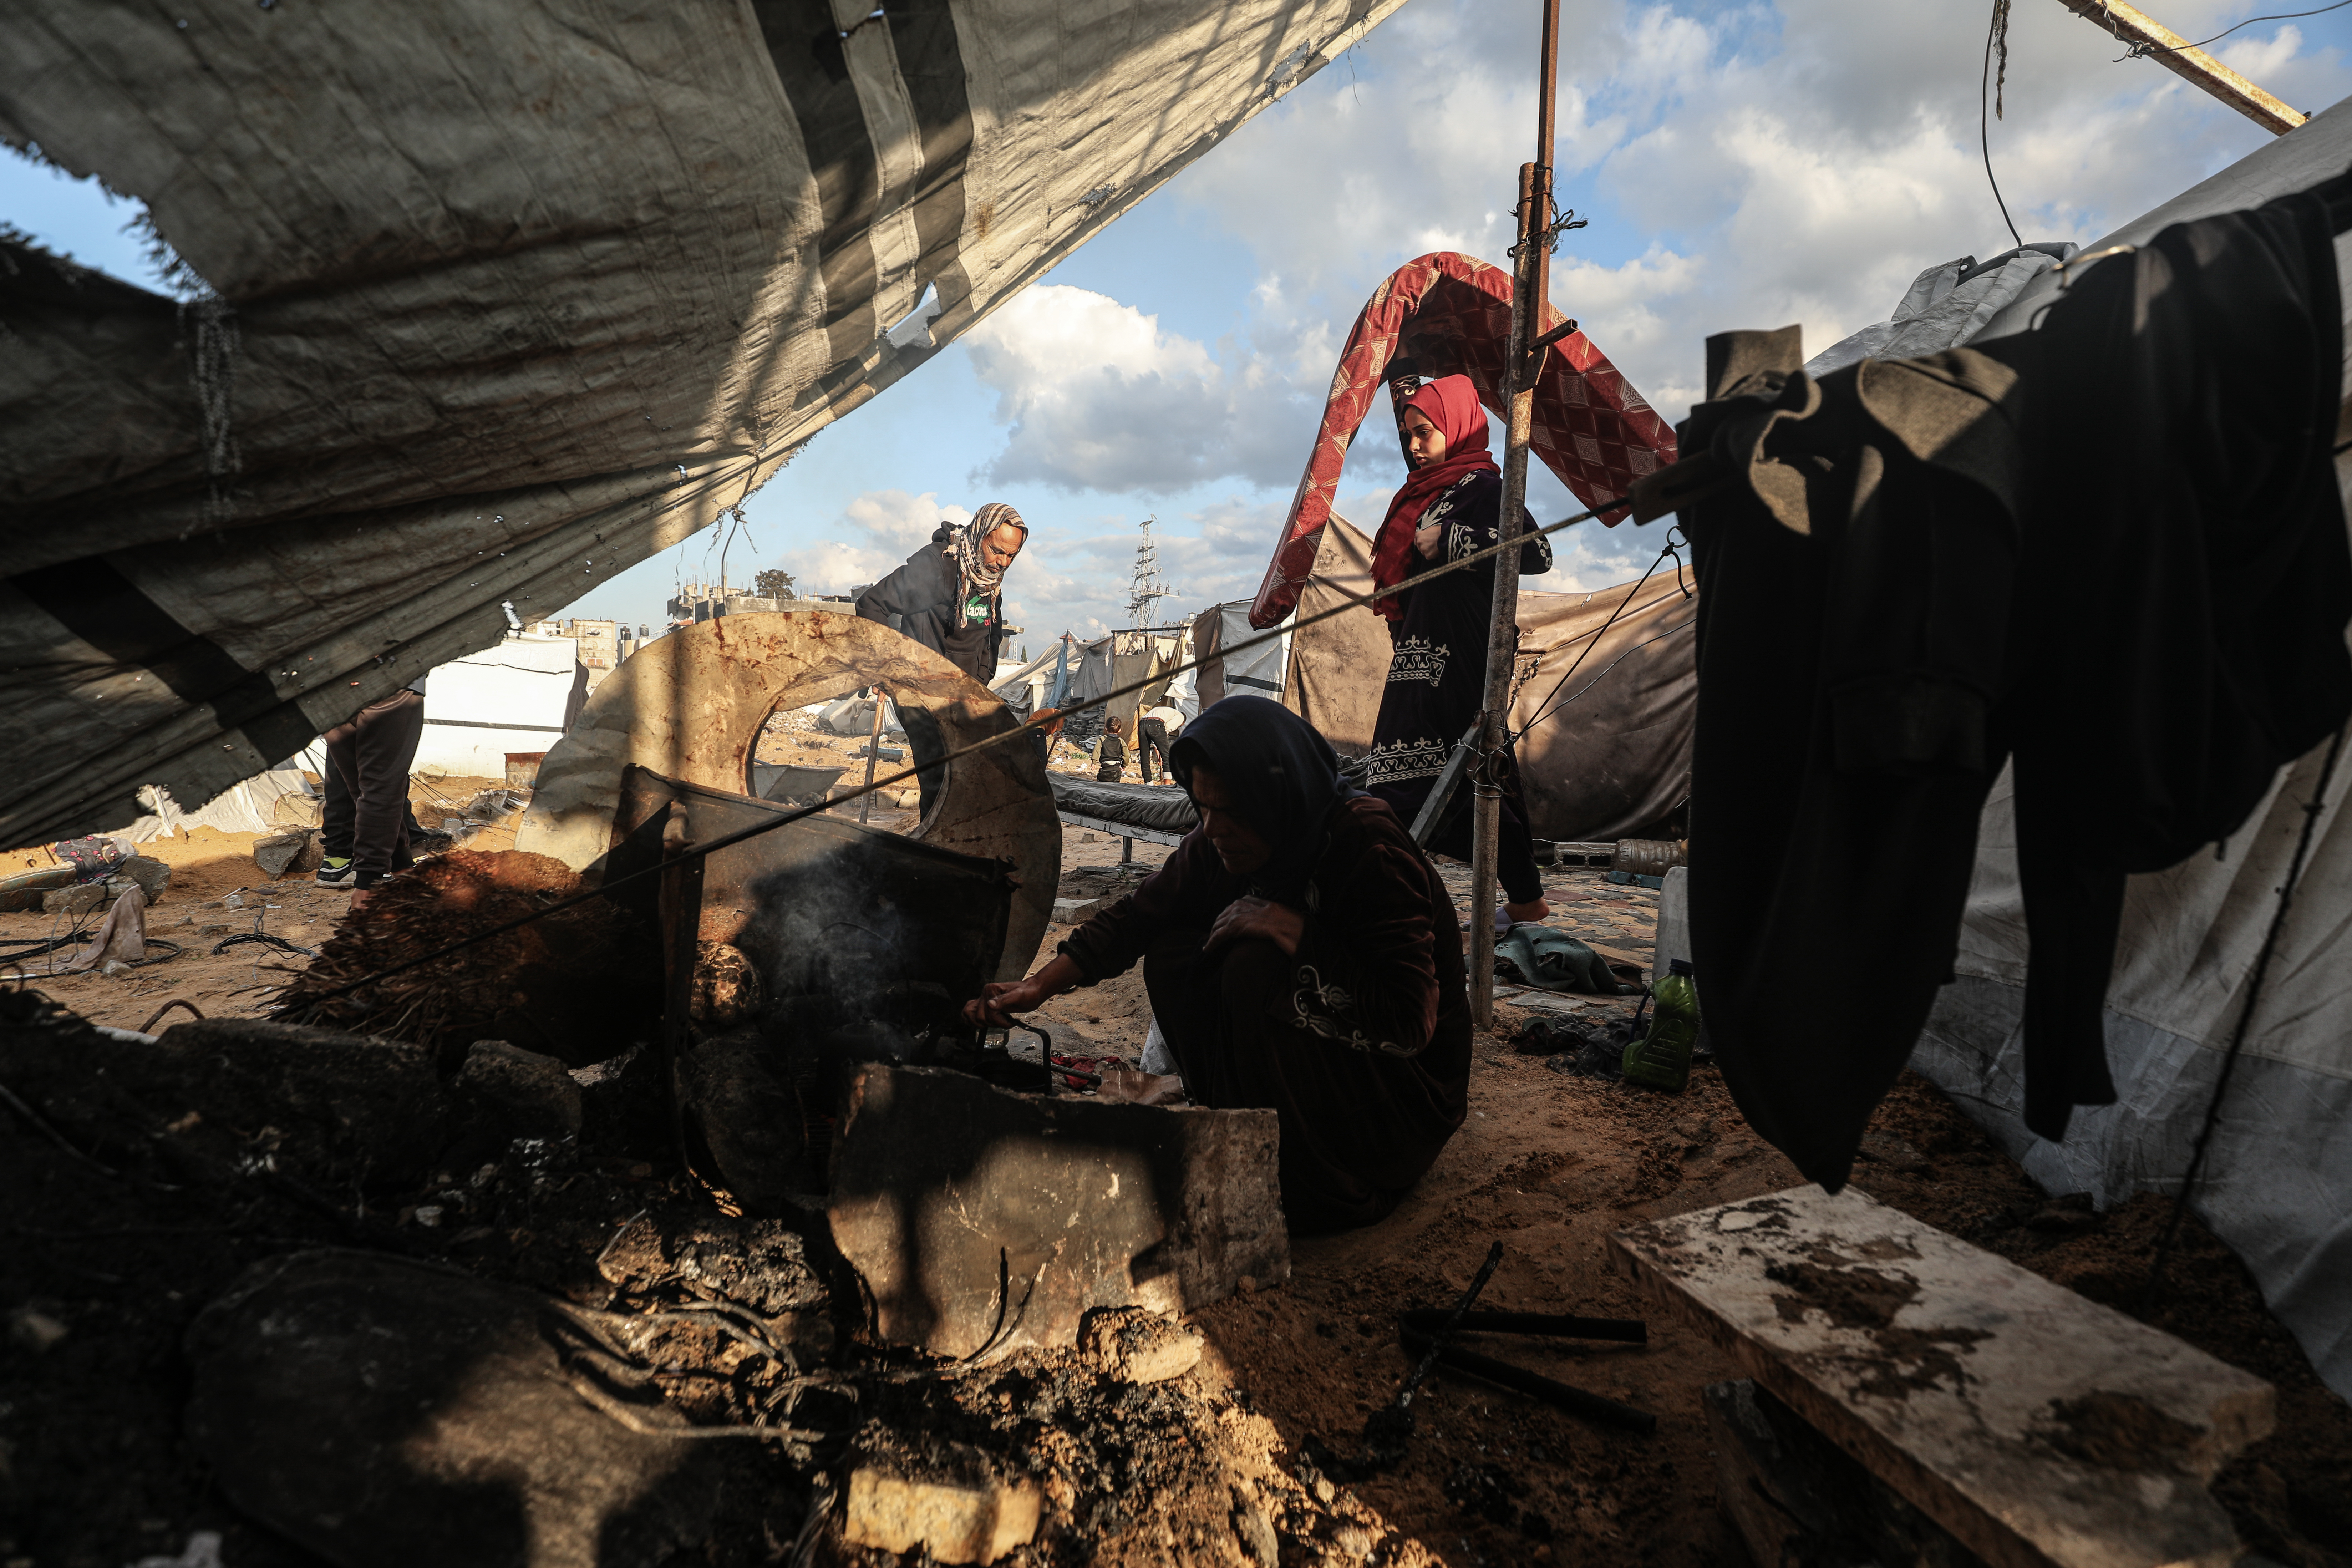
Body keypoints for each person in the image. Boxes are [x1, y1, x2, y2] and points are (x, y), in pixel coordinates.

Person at [964, 696, 1471, 1231]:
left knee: (1255, 964)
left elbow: (1409, 1023)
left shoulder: (1367, 846)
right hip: (1330, 1072)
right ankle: (1243, 1131)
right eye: (1202, 807)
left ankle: (1324, 1187)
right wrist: (1038, 987)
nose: (1211, 828)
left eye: (1230, 810)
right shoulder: (1221, 840)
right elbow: (1139, 916)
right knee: (1175, 955)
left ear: (1278, 797)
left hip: (1401, 1102)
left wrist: (1296, 932)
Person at [1362, 374, 1554, 931]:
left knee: (1443, 771)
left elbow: (1538, 552)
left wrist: (1452, 539)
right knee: (1461, 771)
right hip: (1419, 653)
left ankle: (1403, 903)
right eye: (1409, 434)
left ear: (1459, 426)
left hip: (1461, 652)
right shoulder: (1426, 491)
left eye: (1424, 432)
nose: (1414, 445)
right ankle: (1523, 897)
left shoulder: (1483, 485)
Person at [854, 503, 1027, 684]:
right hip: (922, 690)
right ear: (979, 536)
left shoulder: (990, 581)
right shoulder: (937, 565)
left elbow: (992, 637)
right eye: (997, 551)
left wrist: (983, 676)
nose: (1004, 563)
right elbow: (872, 604)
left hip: (967, 694)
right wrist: (883, 668)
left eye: (1011, 555)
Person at [318, 676, 427, 910]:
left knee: (362, 790)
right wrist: (369, 880)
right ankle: (368, 892)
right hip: (391, 680)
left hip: (327, 687)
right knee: (379, 789)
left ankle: (403, 870)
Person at [1136, 700, 1183, 783]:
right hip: (1156, 724)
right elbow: (1167, 729)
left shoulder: (1167, 711)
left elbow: (1156, 743)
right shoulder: (1181, 717)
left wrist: (1158, 754)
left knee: (1144, 756)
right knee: (1168, 756)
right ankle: (1167, 785)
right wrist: (1162, 750)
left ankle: (1148, 783)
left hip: (1142, 723)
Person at [1095, 715, 1129, 783]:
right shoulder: (1121, 741)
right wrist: (1124, 765)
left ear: (1106, 728)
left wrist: (1094, 761)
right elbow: (1127, 756)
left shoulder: (1102, 740)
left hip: (1105, 769)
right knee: (1115, 786)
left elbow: (1097, 750)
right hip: (1117, 771)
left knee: (1101, 786)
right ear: (1120, 730)